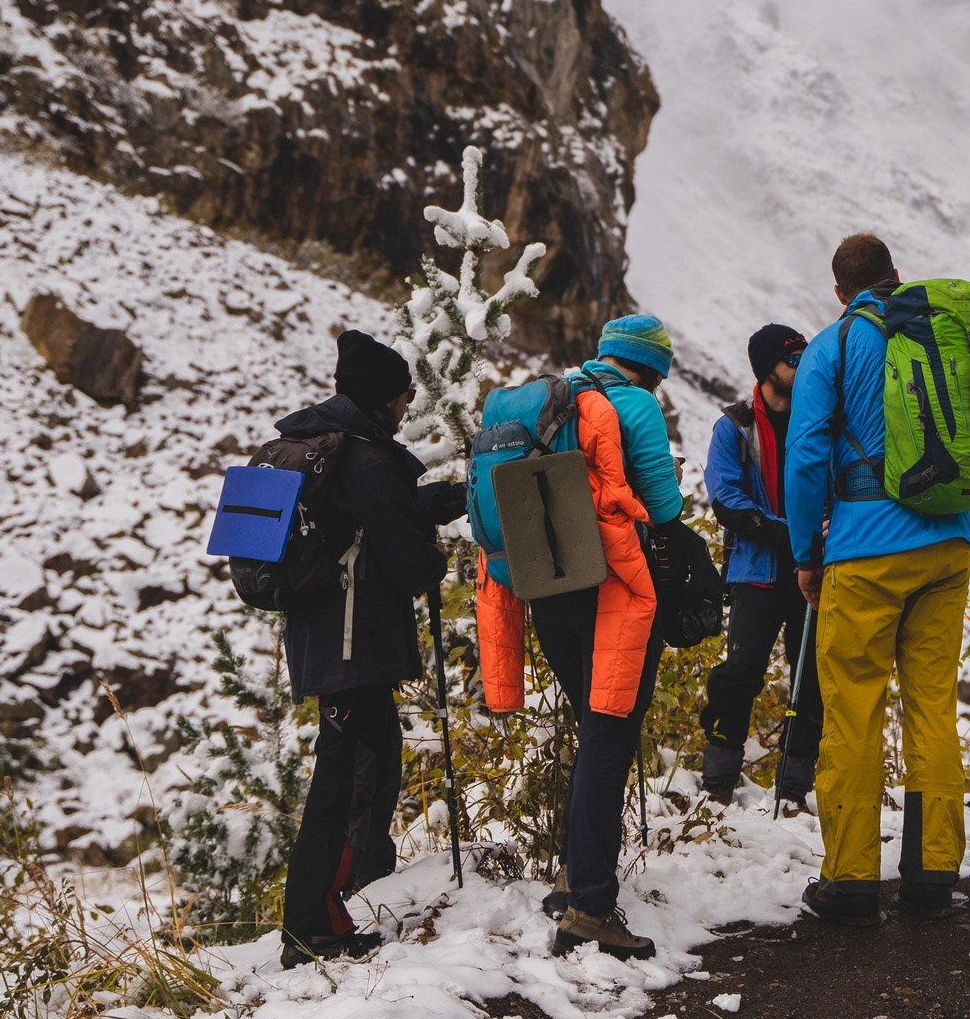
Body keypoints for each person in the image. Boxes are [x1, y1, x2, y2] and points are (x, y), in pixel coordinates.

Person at [476, 315, 684, 960]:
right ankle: (590, 908)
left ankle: (573, 878)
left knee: (592, 729)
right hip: (611, 590)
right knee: (609, 735)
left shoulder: (555, 405)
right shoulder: (635, 405)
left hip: (546, 586)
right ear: (652, 368)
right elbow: (664, 506)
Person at [785, 234, 970, 925]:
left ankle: (851, 882)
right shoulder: (944, 333)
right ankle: (932, 875)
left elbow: (806, 455)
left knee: (854, 711)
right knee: (932, 707)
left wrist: (806, 553)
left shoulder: (833, 346)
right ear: (896, 275)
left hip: (865, 551)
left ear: (841, 293)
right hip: (948, 544)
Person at [276, 330, 469, 967]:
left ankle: (353, 891)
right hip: (350, 650)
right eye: (405, 393)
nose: (409, 403)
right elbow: (409, 562)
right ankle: (311, 927)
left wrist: (437, 502)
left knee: (374, 761)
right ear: (383, 397)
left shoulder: (340, 449)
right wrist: (433, 555)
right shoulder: (366, 458)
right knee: (341, 781)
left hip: (329, 641)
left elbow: (371, 513)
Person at [700, 324, 820, 806]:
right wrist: (792, 534)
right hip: (758, 572)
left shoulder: (820, 418)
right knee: (739, 674)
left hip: (814, 568)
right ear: (768, 367)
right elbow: (726, 499)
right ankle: (717, 784)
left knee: (811, 679)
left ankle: (794, 789)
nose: (802, 367)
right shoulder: (734, 426)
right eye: (794, 359)